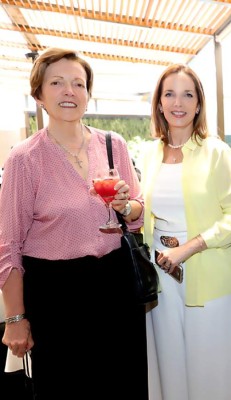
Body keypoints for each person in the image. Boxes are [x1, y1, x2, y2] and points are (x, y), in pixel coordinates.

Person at [0, 48, 147, 399]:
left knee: (122, 383)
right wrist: (15, 318)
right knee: (65, 386)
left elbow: (138, 217)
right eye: (57, 83)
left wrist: (126, 207)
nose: (69, 91)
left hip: (115, 285)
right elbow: (9, 244)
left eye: (78, 84)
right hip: (56, 294)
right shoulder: (24, 158)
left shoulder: (114, 145)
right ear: (39, 94)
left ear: (88, 93)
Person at [142, 63, 231, 400]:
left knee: (211, 370)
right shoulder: (149, 154)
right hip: (161, 278)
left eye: (188, 94)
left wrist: (187, 249)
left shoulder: (215, 151)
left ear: (199, 103)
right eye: (170, 94)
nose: (178, 102)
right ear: (159, 103)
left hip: (206, 272)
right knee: (170, 364)